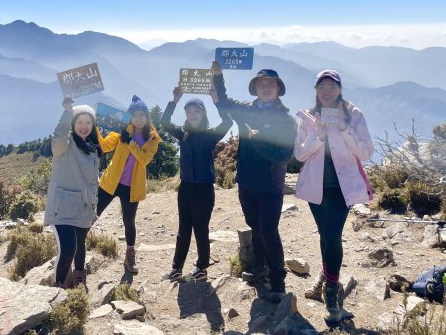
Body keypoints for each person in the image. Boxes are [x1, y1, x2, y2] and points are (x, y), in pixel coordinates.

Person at [294, 69, 373, 324]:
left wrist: (343, 128)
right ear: (316, 90)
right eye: (321, 86)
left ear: (339, 90)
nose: (326, 91)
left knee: (333, 235)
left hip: (341, 188)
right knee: (326, 236)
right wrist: (318, 134)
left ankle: (331, 298)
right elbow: (300, 155)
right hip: (316, 189)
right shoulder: (308, 117)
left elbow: (366, 152)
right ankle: (330, 283)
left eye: (332, 86)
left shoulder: (353, 115)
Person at [212, 62, 297, 299]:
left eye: (271, 84)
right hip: (247, 182)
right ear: (256, 88)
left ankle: (278, 281)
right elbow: (225, 100)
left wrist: (259, 142)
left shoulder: (286, 120)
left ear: (278, 89)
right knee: (254, 226)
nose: (266, 87)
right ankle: (259, 268)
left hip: (270, 185)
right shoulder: (247, 110)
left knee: (269, 231)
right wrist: (218, 77)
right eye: (262, 84)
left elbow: (284, 155)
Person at [160, 87, 232, 282]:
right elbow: (164, 122)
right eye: (189, 112)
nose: (192, 115)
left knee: (201, 229)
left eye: (197, 111)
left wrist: (216, 100)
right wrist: (174, 100)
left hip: (204, 189)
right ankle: (176, 268)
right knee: (183, 229)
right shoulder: (183, 134)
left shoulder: (211, 135)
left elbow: (228, 122)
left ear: (203, 114)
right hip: (185, 188)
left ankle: (202, 268)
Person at [97, 95, 161, 274]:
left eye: (143, 115)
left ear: (147, 117)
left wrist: (132, 143)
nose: (139, 119)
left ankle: (130, 257)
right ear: (130, 117)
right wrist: (93, 125)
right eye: (135, 115)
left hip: (132, 187)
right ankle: (77, 252)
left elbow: (144, 159)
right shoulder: (121, 130)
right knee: (92, 214)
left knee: (129, 221)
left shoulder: (153, 138)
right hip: (111, 181)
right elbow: (104, 146)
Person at [44, 98, 102, 288]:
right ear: (73, 124)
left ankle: (79, 277)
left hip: (84, 207)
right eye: (79, 122)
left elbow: (93, 181)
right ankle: (58, 288)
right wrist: (66, 113)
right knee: (68, 249)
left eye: (88, 123)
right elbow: (58, 138)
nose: (83, 127)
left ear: (92, 126)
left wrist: (94, 207)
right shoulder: (65, 146)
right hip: (63, 208)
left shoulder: (93, 148)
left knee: (80, 244)